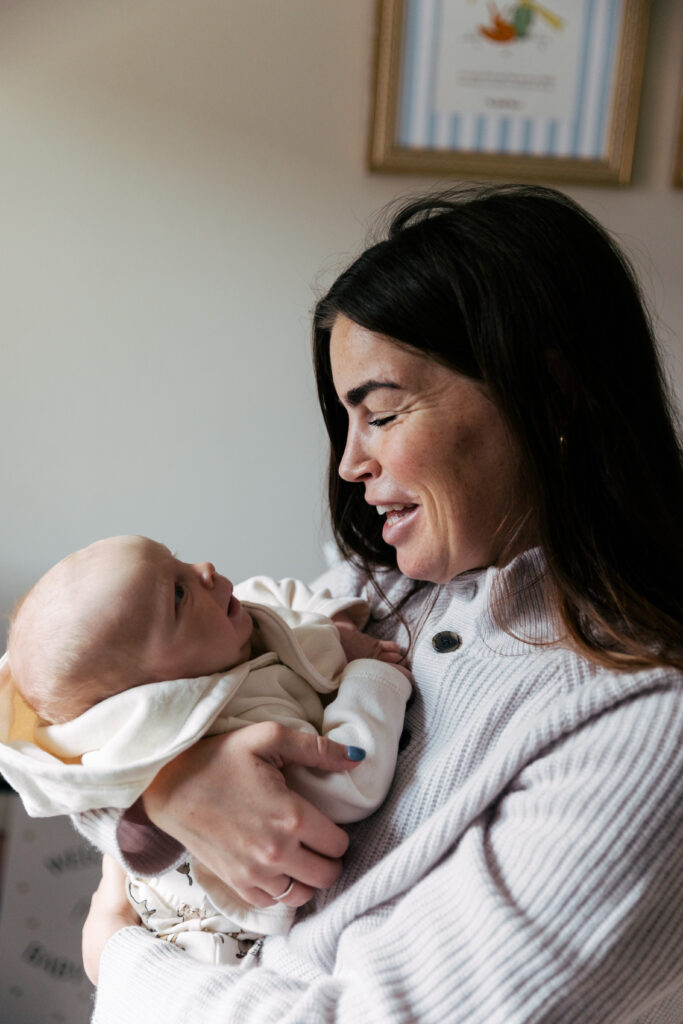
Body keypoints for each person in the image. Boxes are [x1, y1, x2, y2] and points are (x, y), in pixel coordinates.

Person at [63, 185, 683, 1021]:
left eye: (383, 413)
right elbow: (54, 724)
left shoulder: (642, 720)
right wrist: (169, 783)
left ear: (552, 392)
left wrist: (119, 958)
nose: (351, 462)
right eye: (346, 420)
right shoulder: (373, 596)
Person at [0, 534, 411, 963]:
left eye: (177, 561)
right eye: (178, 594)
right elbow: (347, 784)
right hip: (208, 944)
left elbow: (274, 594)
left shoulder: (230, 623)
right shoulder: (235, 723)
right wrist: (371, 678)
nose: (206, 569)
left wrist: (332, 625)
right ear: (153, 694)